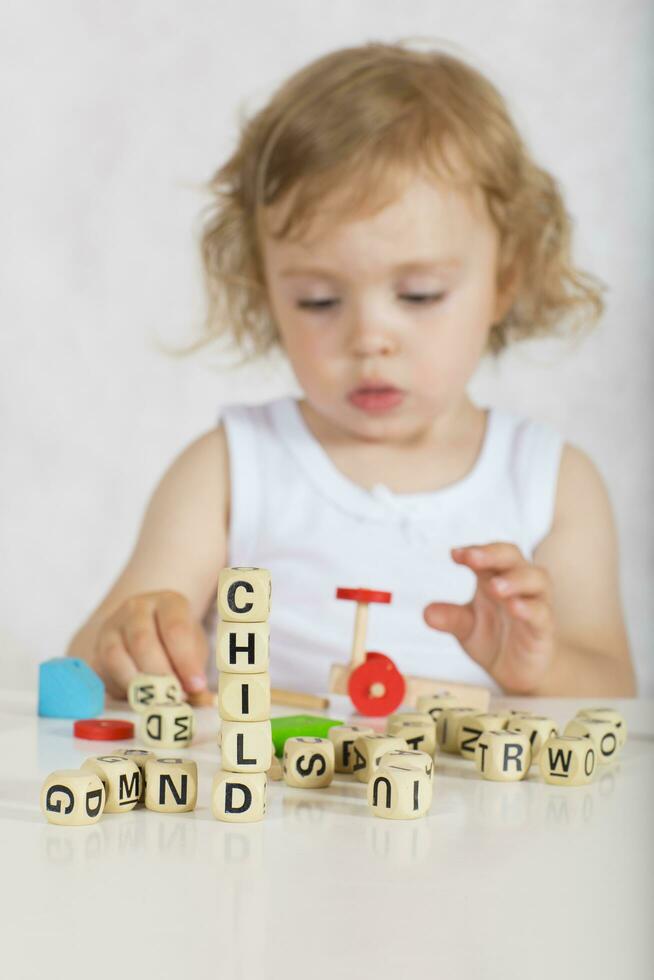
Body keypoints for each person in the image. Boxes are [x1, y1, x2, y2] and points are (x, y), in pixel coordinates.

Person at [66, 40, 636, 700]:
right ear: (266, 291)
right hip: (270, 802)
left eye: (419, 295)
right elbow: (83, 669)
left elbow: (616, 693)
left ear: (504, 281)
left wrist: (544, 668)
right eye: (318, 301)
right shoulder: (233, 469)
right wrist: (134, 641)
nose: (368, 339)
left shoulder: (552, 484)